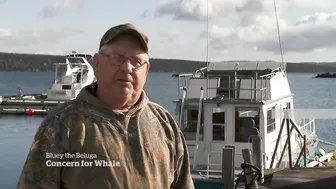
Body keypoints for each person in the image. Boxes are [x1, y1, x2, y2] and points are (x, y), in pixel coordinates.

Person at [17, 23, 195, 189]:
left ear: (146, 70)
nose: (127, 68)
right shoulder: (61, 125)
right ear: (97, 63)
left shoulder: (164, 124)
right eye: (116, 58)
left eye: (136, 61)